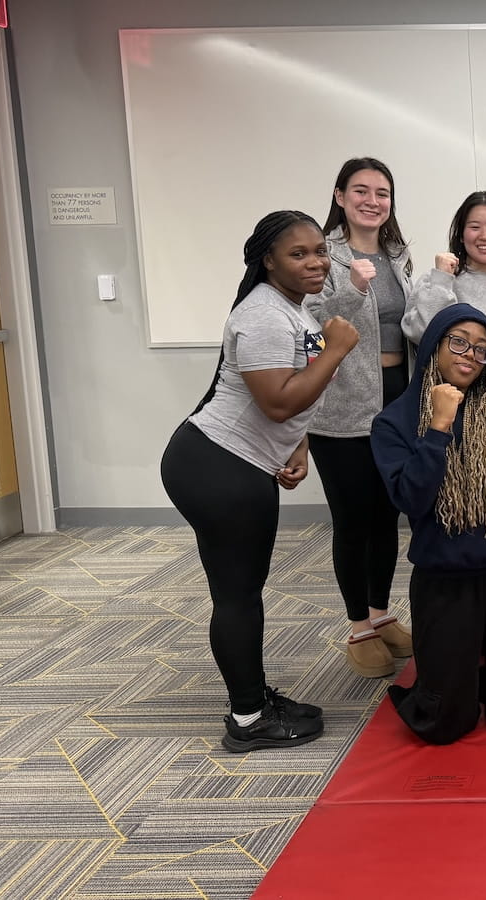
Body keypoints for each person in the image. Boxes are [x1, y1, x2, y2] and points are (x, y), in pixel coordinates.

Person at [161, 210, 359, 752]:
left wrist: (300, 442)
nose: (316, 261)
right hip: (218, 462)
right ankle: (248, 718)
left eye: (320, 250)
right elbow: (276, 401)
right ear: (267, 260)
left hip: (237, 461)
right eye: (299, 254)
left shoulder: (290, 309)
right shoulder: (265, 316)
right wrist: (338, 347)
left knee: (241, 591)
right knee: (238, 596)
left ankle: (252, 697)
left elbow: (294, 389)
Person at [370, 303, 486, 744]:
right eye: (459, 342)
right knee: (446, 724)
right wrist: (438, 427)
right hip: (444, 576)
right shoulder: (393, 423)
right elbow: (410, 498)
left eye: (482, 349)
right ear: (434, 346)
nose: (470, 355)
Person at [304, 157, 417, 678]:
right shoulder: (322, 256)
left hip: (397, 397)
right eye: (362, 191)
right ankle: (357, 626)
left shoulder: (398, 254)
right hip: (344, 404)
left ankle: (381, 612)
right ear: (340, 195)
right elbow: (312, 327)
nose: (373, 201)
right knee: (352, 519)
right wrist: (352, 286)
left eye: (383, 193)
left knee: (385, 513)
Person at [404, 191, 486, 412]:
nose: (485, 236)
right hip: (448, 415)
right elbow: (420, 334)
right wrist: (441, 281)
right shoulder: (439, 279)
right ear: (461, 235)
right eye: (475, 227)